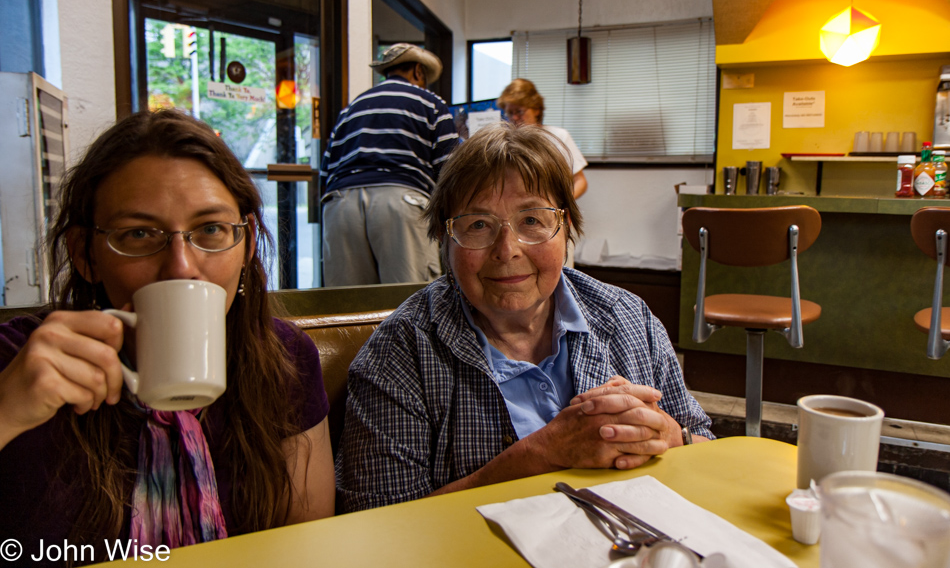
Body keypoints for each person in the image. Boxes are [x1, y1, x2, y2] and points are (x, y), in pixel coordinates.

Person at [0, 110, 334, 565]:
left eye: (211, 230)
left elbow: (308, 543)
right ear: (85, 254)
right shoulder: (18, 363)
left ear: (248, 244)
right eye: (138, 234)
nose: (180, 266)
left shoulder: (285, 357)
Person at [336, 122, 712, 513]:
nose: (507, 249)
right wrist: (541, 454)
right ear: (445, 241)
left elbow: (704, 446)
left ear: (565, 227)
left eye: (532, 220)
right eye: (478, 225)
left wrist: (671, 435)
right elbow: (376, 523)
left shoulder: (627, 317)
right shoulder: (400, 353)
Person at [319, 43, 459, 287]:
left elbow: (325, 171)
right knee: (410, 302)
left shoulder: (350, 109)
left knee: (346, 308)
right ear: (418, 72)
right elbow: (450, 173)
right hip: (400, 201)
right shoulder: (431, 103)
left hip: (340, 205)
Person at [498, 78, 589, 199]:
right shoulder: (503, 142)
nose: (514, 117)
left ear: (536, 109)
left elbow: (580, 181)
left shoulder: (558, 136)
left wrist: (562, 207)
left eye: (519, 111)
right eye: (509, 112)